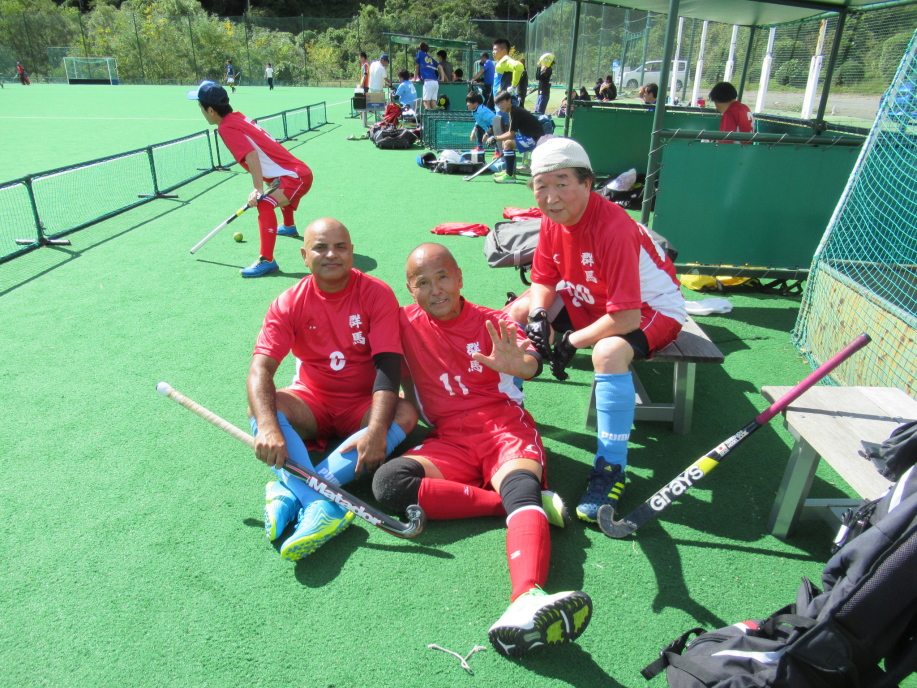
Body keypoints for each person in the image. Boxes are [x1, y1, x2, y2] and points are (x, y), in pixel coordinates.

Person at [372, 243, 593, 658]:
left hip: (502, 428)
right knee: (389, 483)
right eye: (423, 282)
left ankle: (527, 596)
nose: (435, 290)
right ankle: (510, 504)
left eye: (443, 277)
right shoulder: (402, 323)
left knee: (520, 486)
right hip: (449, 438)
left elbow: (530, 361)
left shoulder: (494, 323)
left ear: (459, 278)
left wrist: (520, 366)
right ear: (410, 289)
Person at [504, 137, 686, 523]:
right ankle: (504, 416)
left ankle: (611, 469)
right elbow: (544, 278)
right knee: (517, 312)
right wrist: (539, 316)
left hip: (650, 309)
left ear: (587, 183)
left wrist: (570, 341)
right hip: (592, 299)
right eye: (541, 186)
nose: (551, 197)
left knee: (607, 352)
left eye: (562, 183)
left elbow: (626, 319)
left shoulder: (613, 228)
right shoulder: (553, 220)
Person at [247, 218, 418, 561]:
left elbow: (388, 367)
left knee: (405, 413)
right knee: (263, 407)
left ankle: (291, 491)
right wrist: (266, 426)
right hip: (312, 403)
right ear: (304, 255)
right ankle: (320, 504)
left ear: (352, 252)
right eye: (320, 247)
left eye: (340, 247)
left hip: (362, 404)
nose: (331, 255)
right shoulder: (288, 302)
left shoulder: (376, 293)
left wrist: (377, 429)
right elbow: (260, 370)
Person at [188, 80, 310, 278]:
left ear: (211, 110)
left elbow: (251, 156)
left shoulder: (226, 127)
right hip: (291, 172)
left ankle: (267, 260)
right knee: (274, 187)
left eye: (200, 107)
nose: (200, 111)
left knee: (264, 203)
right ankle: (288, 226)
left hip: (295, 177)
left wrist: (257, 189)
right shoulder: (236, 117)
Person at [486, 90, 547, 184]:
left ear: (509, 101)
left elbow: (511, 134)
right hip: (533, 138)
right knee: (506, 142)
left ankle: (509, 175)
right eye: (498, 104)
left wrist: (495, 138)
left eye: (502, 102)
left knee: (508, 143)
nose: (500, 106)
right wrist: (497, 138)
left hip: (536, 140)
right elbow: (511, 133)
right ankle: (509, 171)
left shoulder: (515, 112)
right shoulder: (513, 111)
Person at [415, 41, 445, 110]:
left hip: (428, 82)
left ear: (420, 49)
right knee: (433, 102)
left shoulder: (420, 54)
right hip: (435, 82)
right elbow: (440, 67)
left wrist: (415, 78)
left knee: (426, 103)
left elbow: (417, 68)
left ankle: (429, 117)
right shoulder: (430, 58)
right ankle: (435, 116)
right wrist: (442, 79)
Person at [358, 52, 370, 127]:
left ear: (363, 57)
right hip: (363, 85)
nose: (359, 58)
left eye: (359, 57)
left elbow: (365, 75)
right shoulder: (363, 64)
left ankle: (364, 118)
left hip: (365, 85)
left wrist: (362, 83)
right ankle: (362, 115)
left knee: (364, 100)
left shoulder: (365, 65)